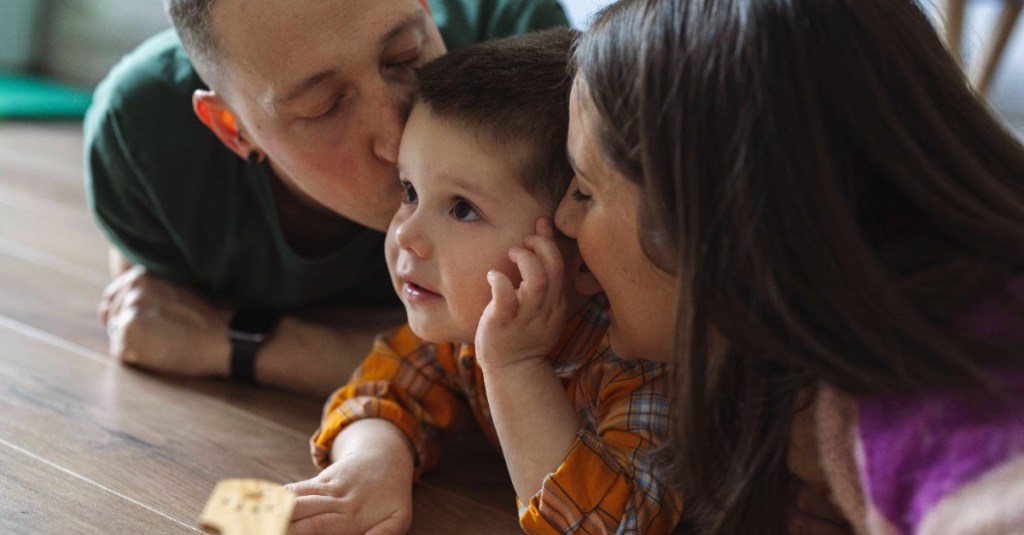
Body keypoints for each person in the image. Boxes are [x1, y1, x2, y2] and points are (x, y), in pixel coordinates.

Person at [562, 0, 1024, 533]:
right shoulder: (836, 365)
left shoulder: (956, 445)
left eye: (584, 190)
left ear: (710, 225)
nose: (561, 220)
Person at [285, 28, 683, 534]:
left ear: (576, 249)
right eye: (409, 190)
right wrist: (373, 462)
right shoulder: (468, 326)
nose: (406, 234)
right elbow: (390, 378)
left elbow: (613, 526)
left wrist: (516, 368)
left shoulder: (641, 370)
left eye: (462, 208)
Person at [83, 0, 570, 397]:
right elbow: (155, 316)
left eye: (404, 55)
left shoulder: (532, 61)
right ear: (232, 130)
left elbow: (563, 359)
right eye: (323, 107)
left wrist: (241, 343)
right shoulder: (144, 142)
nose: (397, 137)